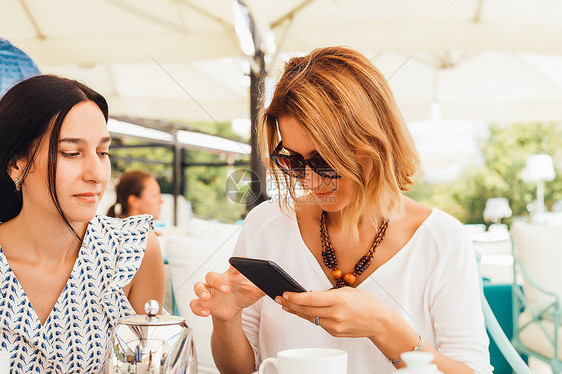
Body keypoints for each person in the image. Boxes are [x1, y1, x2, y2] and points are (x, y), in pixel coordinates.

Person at [190, 47, 492, 373]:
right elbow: (240, 370)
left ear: (374, 143)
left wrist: (384, 326)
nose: (309, 179)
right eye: (292, 160)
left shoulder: (440, 239)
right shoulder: (266, 224)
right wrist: (227, 318)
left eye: (324, 160)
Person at [0, 75, 165, 373]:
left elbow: (149, 366)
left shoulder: (131, 250)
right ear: (16, 165)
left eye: (102, 152)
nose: (97, 174)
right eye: (71, 153)